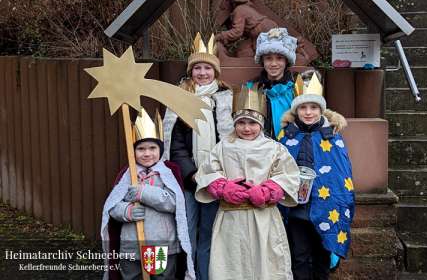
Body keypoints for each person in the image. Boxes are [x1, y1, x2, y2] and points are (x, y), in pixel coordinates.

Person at [195, 84, 300, 280]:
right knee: (231, 265)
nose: (246, 128)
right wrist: (222, 186)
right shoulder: (223, 147)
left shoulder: (274, 148)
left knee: (267, 265)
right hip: (231, 219)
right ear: (234, 123)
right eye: (241, 122)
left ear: (260, 124)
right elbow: (207, 172)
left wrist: (270, 190)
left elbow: (289, 175)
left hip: (264, 218)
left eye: (252, 123)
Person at [163, 34, 233, 280]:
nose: (202, 73)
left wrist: (215, 174)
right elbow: (176, 143)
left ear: (215, 72)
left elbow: (230, 139)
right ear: (191, 71)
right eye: (198, 68)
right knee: (187, 231)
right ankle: (188, 274)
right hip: (190, 181)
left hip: (215, 179)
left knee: (210, 233)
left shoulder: (225, 99)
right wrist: (192, 174)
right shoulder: (179, 100)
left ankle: (205, 274)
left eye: (207, 68)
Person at [101, 108, 195, 280]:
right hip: (131, 246)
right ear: (133, 151)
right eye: (141, 149)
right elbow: (112, 207)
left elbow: (174, 203)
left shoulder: (168, 173)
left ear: (160, 150)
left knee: (161, 277)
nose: (147, 153)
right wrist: (126, 211)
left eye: (152, 148)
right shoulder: (127, 175)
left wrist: (143, 192)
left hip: (160, 245)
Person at [278, 72, 355, 280]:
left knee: (322, 255)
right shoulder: (286, 137)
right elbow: (279, 170)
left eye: (313, 107)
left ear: (321, 110)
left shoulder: (333, 137)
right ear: (296, 111)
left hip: (325, 207)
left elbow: (341, 173)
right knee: (299, 256)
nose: (308, 112)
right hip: (296, 209)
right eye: (303, 107)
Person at [250, 28, 345, 140]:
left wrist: (331, 118)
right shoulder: (253, 88)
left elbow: (313, 109)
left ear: (286, 61)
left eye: (279, 58)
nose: (274, 63)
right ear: (263, 61)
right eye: (268, 59)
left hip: (293, 144)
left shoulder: (298, 85)